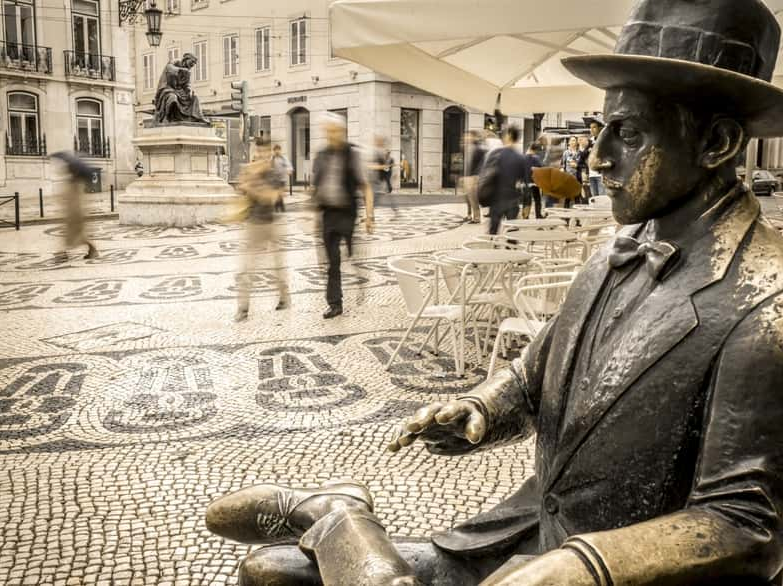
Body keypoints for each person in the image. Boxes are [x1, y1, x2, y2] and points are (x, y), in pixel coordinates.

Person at [205, 0, 783, 584]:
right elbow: (536, 372)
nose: (599, 157)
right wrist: (484, 406)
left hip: (605, 571)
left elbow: (748, 526)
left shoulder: (767, 301)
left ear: (717, 142)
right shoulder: (621, 245)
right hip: (527, 536)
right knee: (269, 571)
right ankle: (340, 517)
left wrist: (586, 567)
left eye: (628, 134)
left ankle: (337, 516)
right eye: (598, 129)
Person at [311, 113, 375, 319]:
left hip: (347, 213)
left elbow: (365, 186)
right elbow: (315, 187)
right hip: (328, 214)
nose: (330, 135)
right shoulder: (321, 155)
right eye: (327, 131)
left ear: (342, 131)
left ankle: (360, 280)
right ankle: (335, 303)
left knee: (352, 255)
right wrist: (312, 215)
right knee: (333, 262)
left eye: (334, 131)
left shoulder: (352, 154)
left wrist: (370, 216)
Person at [233, 138, 290, 322]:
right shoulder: (250, 170)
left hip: (271, 224)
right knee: (246, 268)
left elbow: (273, 198)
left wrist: (252, 185)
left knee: (277, 266)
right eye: (259, 152)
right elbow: (241, 189)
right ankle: (243, 308)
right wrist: (246, 184)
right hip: (253, 224)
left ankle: (284, 296)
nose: (261, 155)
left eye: (265, 152)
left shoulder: (274, 173)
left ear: (270, 153)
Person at [50, 151, 99, 261]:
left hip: (75, 214)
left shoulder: (75, 184)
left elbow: (74, 201)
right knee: (75, 235)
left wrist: (69, 211)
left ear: (73, 171)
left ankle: (63, 253)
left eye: (68, 168)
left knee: (75, 235)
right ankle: (90, 250)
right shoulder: (73, 182)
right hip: (73, 213)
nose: (65, 169)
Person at [483, 125, 530, 235]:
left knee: (493, 232)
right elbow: (524, 183)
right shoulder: (520, 158)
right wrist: (526, 204)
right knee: (512, 233)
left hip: (496, 199)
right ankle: (510, 249)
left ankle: (493, 248)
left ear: (508, 136)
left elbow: (485, 175)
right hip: (513, 200)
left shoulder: (496, 154)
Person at [153, 53, 208, 125]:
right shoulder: (175, 62)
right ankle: (166, 117)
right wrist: (181, 70)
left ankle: (198, 117)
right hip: (167, 88)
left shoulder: (187, 72)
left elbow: (187, 84)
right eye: (191, 62)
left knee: (195, 98)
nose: (192, 65)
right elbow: (169, 67)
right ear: (186, 59)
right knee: (172, 98)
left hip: (179, 91)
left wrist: (189, 90)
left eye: (194, 64)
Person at [461, 131, 486, 223]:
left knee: (473, 198)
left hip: (474, 177)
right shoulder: (466, 148)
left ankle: (476, 218)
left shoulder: (479, 149)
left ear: (473, 137)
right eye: (465, 136)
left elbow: (482, 163)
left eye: (468, 136)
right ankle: (469, 215)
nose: (466, 138)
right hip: (467, 176)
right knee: (467, 197)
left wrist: (477, 176)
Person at [370, 136, 398, 216]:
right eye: (385, 152)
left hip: (385, 181)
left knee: (378, 197)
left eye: (387, 152)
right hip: (381, 180)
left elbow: (388, 170)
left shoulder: (390, 160)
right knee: (379, 197)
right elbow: (382, 168)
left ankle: (370, 213)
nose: (386, 153)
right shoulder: (382, 158)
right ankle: (395, 211)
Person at [524, 142, 545, 219]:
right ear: (535, 150)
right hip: (535, 182)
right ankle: (538, 215)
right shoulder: (536, 158)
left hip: (526, 182)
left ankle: (525, 216)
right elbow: (542, 168)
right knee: (537, 200)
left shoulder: (523, 157)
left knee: (527, 201)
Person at [271, 144, 292, 213]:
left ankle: (277, 208)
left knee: (279, 194)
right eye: (275, 150)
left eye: (278, 150)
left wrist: (289, 170)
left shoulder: (283, 158)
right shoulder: (272, 158)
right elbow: (269, 167)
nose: (277, 151)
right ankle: (280, 209)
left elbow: (288, 165)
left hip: (282, 180)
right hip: (275, 180)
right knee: (278, 194)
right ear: (273, 151)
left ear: (280, 150)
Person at [587, 117, 606, 196]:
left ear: (600, 128)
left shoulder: (604, 140)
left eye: (594, 127)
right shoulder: (590, 141)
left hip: (601, 175)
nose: (591, 130)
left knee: (602, 199)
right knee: (594, 199)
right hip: (591, 174)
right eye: (590, 128)